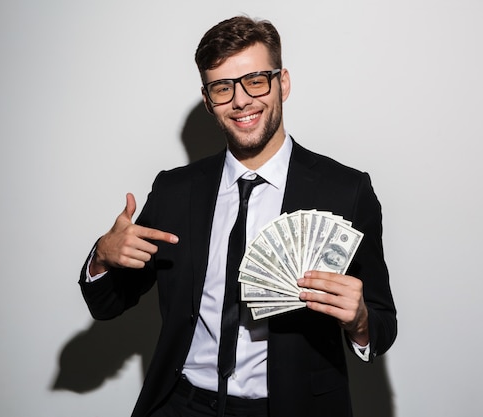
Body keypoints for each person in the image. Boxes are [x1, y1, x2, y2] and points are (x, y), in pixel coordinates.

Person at [79, 15, 397, 417]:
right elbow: (108, 305)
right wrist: (102, 257)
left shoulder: (346, 191)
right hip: (183, 404)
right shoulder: (175, 191)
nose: (241, 100)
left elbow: (382, 324)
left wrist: (361, 320)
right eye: (223, 87)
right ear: (209, 99)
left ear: (282, 83)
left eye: (256, 80)